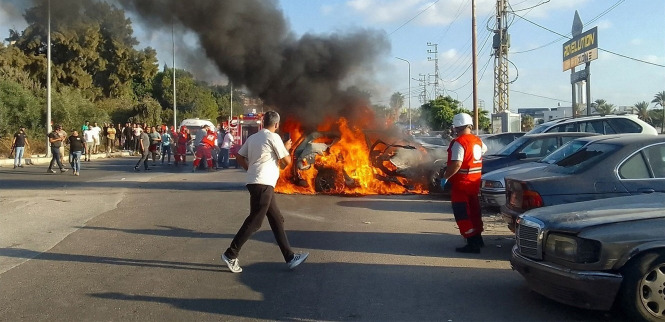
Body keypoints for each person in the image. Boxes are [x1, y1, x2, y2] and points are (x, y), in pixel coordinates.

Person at [222, 111, 308, 273]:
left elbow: (239, 156)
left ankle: (290, 257)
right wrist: (286, 148)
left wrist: (250, 169)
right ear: (276, 124)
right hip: (263, 183)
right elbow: (287, 161)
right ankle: (230, 254)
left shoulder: (254, 137)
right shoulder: (273, 137)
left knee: (277, 219)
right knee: (255, 221)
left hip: (256, 182)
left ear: (263, 122)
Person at [440, 113, 487, 254]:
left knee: (462, 213)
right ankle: (478, 238)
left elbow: (456, 164)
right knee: (474, 211)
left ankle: (472, 242)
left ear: (456, 127)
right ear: (470, 125)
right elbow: (483, 151)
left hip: (461, 184)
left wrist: (445, 177)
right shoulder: (477, 141)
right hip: (474, 183)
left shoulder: (459, 142)